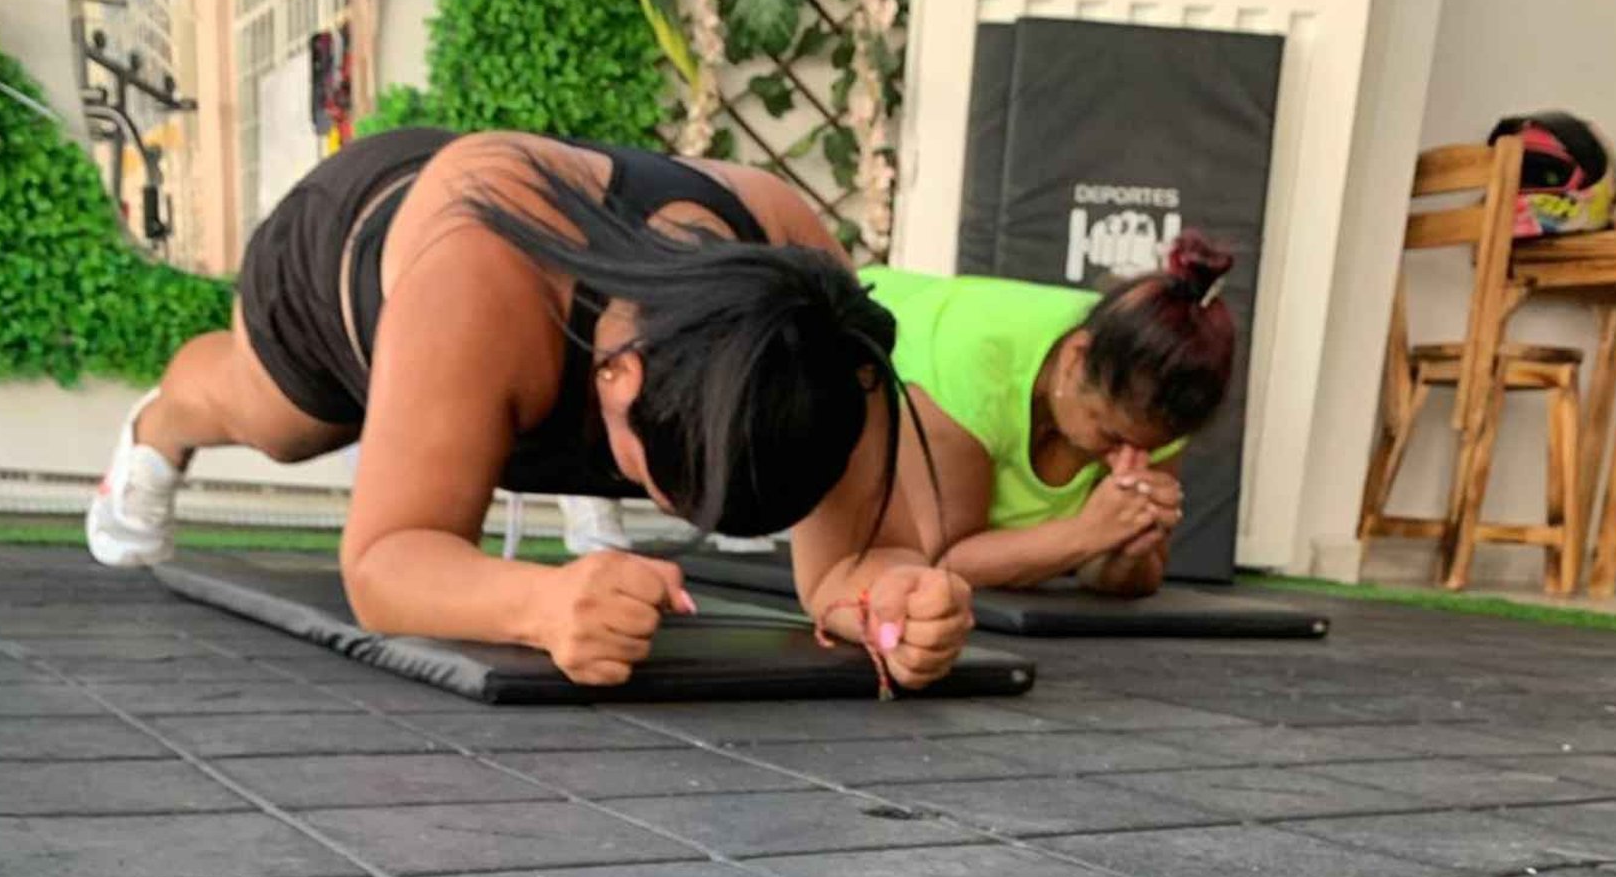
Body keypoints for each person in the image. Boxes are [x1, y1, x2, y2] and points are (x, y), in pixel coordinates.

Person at [85, 127, 972, 688]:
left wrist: (894, 598)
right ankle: (158, 427)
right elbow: (385, 562)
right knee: (278, 424)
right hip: (346, 258)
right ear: (616, 376)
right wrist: (540, 606)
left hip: (563, 331)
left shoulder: (810, 310)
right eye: (669, 492)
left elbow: (849, 563)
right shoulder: (478, 285)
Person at [860, 234, 1237, 594]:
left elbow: (1118, 577)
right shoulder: (965, 374)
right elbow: (934, 560)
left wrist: (1128, 544)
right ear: (1074, 359)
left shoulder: (1159, 391)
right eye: (1111, 436)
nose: (1124, 461)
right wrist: (1086, 533)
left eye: (1149, 449)